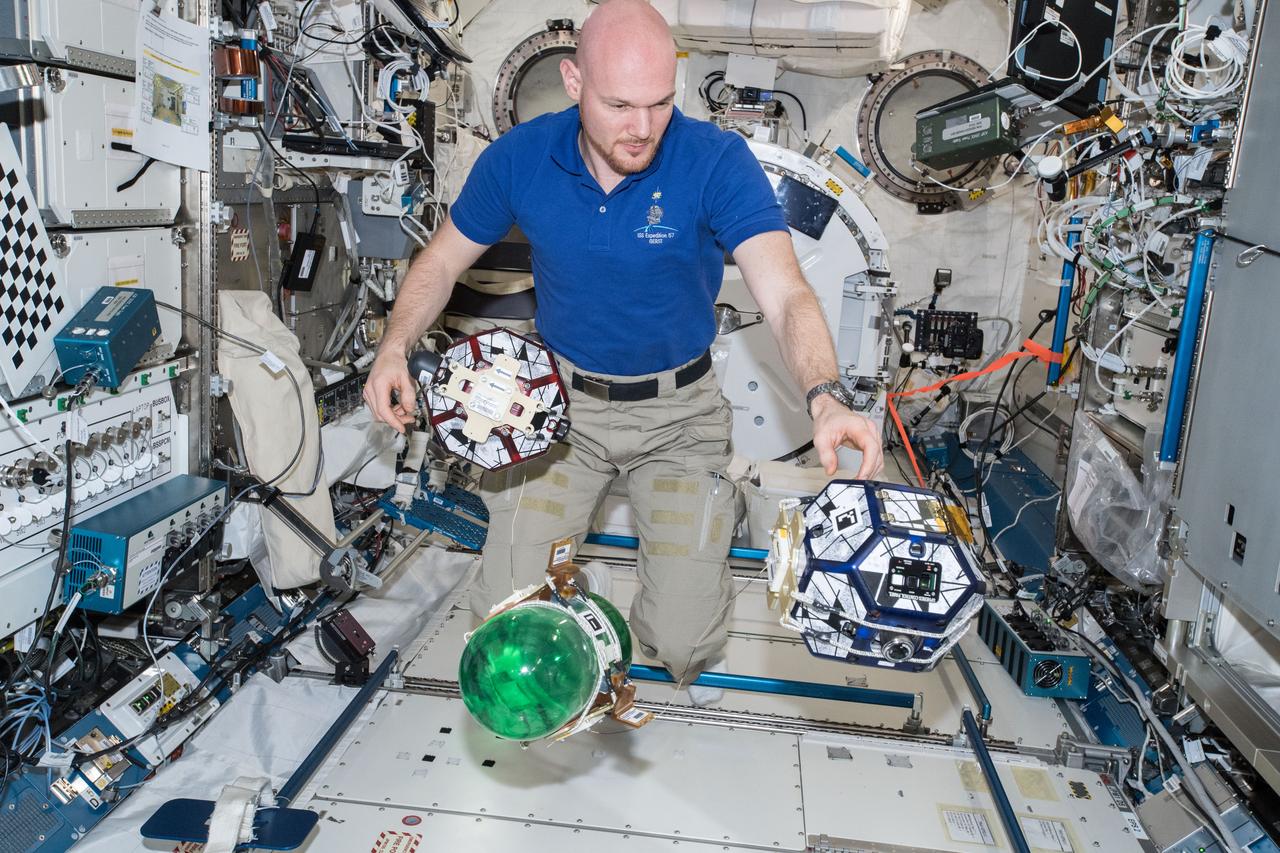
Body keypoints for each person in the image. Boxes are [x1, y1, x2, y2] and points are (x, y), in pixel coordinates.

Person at [364, 0, 883, 703]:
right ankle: (567, 576)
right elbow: (440, 263)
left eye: (660, 102)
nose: (642, 128)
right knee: (504, 615)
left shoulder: (714, 160)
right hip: (558, 409)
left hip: (679, 416)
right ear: (574, 82)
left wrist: (825, 397)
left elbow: (787, 292)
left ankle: (670, 606)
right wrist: (395, 346)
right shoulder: (520, 157)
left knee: (682, 644)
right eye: (619, 105)